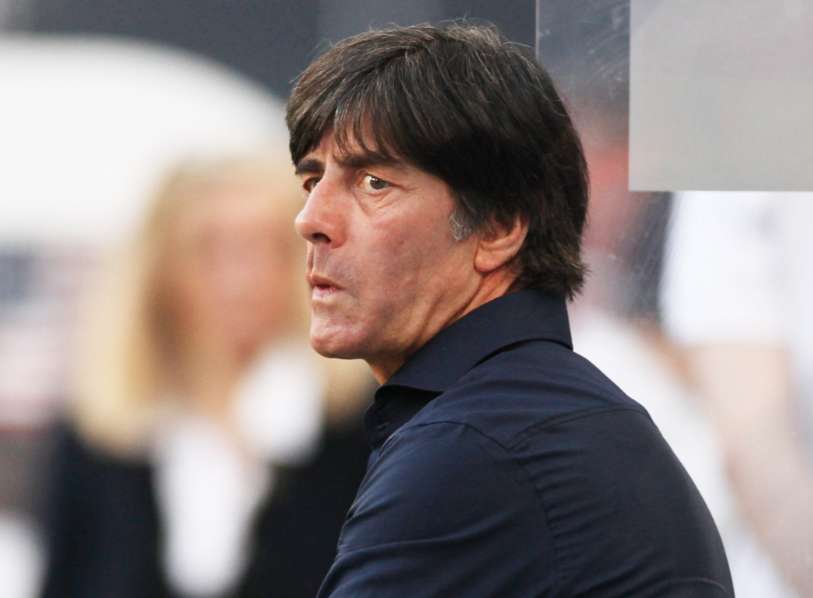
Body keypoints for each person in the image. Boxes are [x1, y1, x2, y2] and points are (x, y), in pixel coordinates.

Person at [287, 23, 733, 597]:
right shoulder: (531, 417)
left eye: (374, 183)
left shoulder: (475, 447)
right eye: (312, 181)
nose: (311, 220)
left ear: (498, 227)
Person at [39, 154, 373, 598]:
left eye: (270, 248)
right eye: (212, 249)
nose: (243, 279)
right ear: (160, 271)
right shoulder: (102, 434)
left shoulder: (356, 425)